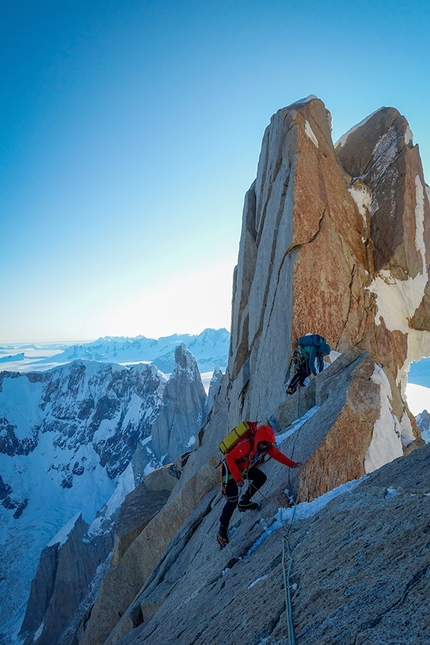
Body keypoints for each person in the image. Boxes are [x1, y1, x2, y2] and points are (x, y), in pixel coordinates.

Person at [217, 423, 302, 548]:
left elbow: (277, 455)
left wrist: (292, 464)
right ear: (258, 440)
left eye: (267, 444)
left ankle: (245, 500)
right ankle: (221, 532)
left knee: (261, 477)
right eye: (263, 443)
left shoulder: (265, 447)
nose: (265, 446)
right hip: (229, 470)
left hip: (242, 469)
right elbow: (229, 458)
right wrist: (237, 478)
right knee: (232, 501)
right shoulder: (246, 445)